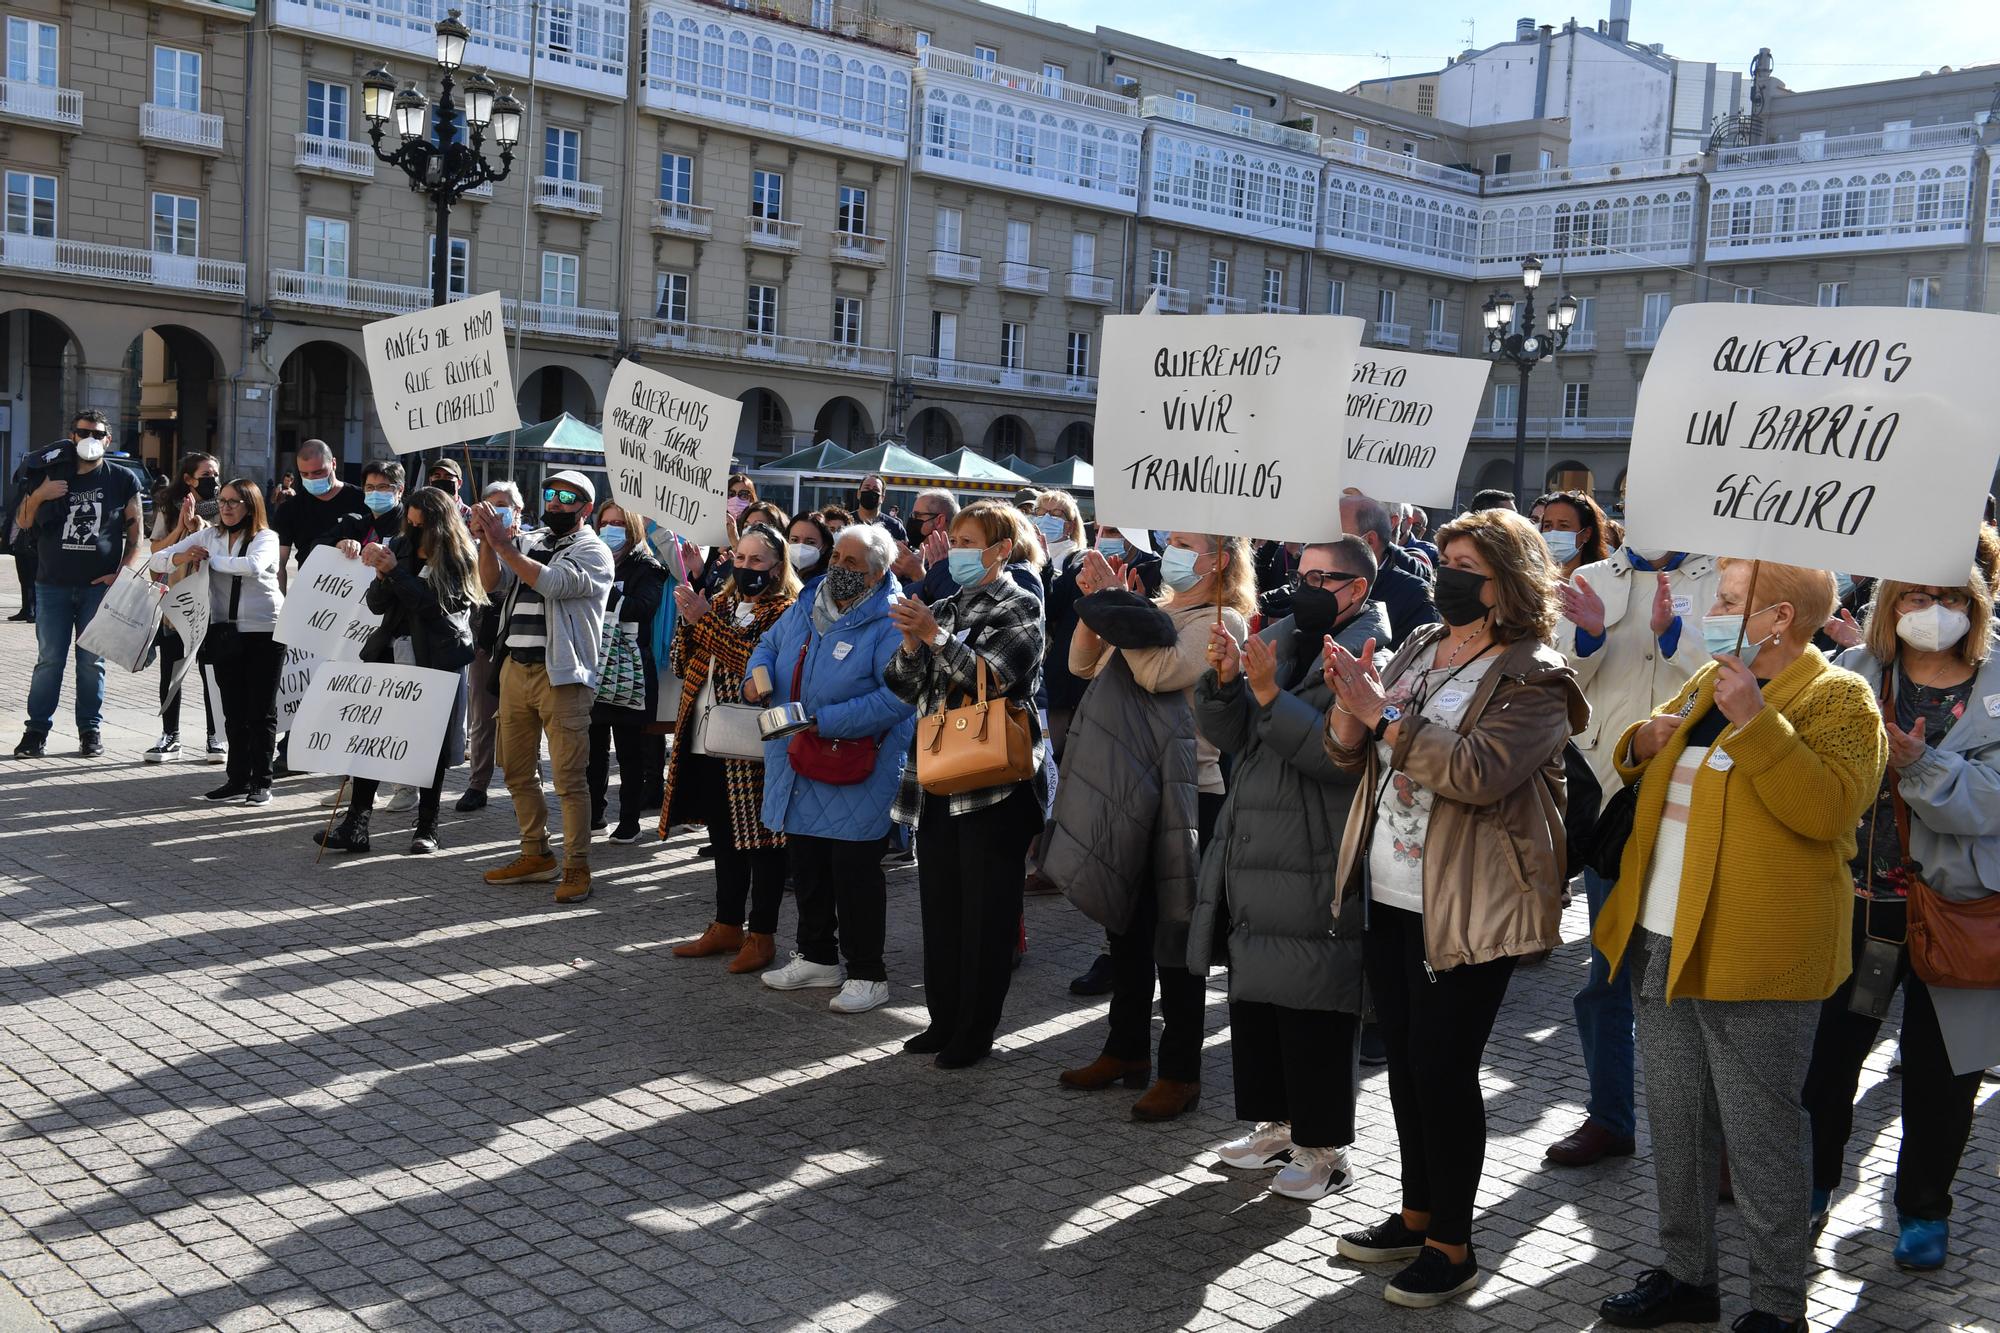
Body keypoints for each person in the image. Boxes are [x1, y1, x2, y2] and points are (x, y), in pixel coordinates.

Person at [1594, 560, 1885, 1333]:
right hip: (1663, 935)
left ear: (1780, 614)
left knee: (1761, 1137)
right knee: (1678, 1121)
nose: (1710, 607)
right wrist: (1642, 738)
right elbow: (1646, 753)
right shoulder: (1710, 681)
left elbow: (1829, 810)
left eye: (1726, 598)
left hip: (1759, 952)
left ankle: (1777, 1304)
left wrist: (1758, 721)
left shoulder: (1840, 696)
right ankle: (1687, 1275)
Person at [1323, 507, 1583, 1310]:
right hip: (1392, 888)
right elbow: (1348, 752)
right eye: (1444, 556)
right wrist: (1348, 701)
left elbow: (1476, 770)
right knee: (1404, 1063)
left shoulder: (1536, 675)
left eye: (1466, 561)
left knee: (1443, 1069)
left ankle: (1454, 1245)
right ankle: (1415, 1213)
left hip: (1471, 903)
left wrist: (1382, 716)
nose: (1447, 572)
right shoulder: (1423, 644)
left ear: (1506, 578)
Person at [1805, 570, 1998, 1271]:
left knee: (1943, 1078)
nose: (1934, 611)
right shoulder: (1853, 670)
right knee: (1825, 1064)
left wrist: (1920, 764)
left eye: (1951, 599)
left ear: (1974, 608)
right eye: (1916, 596)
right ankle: (1812, 1185)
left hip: (1959, 912)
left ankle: (1923, 1209)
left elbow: (1993, 801)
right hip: (1857, 910)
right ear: (1890, 605)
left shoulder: (1997, 680)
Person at [1190, 536, 1388, 1200]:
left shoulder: (1372, 656)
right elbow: (1234, 733)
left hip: (1313, 854)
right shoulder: (1280, 635)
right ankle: (1276, 1125)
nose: (1304, 586)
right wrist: (1223, 683)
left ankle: (1324, 1148)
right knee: (1261, 1001)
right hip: (1256, 848)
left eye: (1322, 577)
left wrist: (1270, 692)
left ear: (1357, 589)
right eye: (1300, 573)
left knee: (1314, 1003)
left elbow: (1338, 755)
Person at [1056, 532, 1252, 1121]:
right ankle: (1125, 1050)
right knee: (1127, 928)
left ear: (1218, 560)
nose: (1174, 549)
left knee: (1178, 940)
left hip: (1193, 792)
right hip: (1130, 786)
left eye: (1189, 543)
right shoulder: (1158, 609)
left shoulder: (1225, 622)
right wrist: (1099, 608)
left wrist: (1118, 607)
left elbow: (1161, 673)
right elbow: (1080, 663)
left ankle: (1180, 1071)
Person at [1546, 541, 1722, 1169]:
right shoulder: (1591, 578)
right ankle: (1609, 1116)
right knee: (1607, 972)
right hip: (1612, 799)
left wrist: (1677, 638)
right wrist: (1588, 637)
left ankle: (1717, 1139)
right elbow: (1557, 680)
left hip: (1697, 797)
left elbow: (1739, 678)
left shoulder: (1727, 577)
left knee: (1700, 977)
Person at [881, 502, 1047, 1066]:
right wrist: (911, 643)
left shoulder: (1021, 605)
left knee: (986, 915)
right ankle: (943, 1019)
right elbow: (904, 687)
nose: (956, 549)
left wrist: (934, 638)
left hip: (995, 784)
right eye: (953, 539)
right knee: (942, 908)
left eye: (970, 540)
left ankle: (975, 1032)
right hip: (937, 777)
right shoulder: (945, 605)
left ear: (1001, 550)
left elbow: (995, 679)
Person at [744, 523, 915, 1014]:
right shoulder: (808, 600)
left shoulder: (891, 619)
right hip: (797, 757)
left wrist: (825, 721)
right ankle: (817, 956)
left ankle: (868, 973)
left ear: (878, 572)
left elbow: (899, 697)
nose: (838, 567)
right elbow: (769, 648)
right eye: (836, 557)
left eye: (852, 562)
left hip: (858, 761)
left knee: (853, 871)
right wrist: (755, 681)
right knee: (809, 863)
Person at [315, 487, 483, 853]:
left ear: (439, 522)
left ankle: (428, 826)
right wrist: (380, 575)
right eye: (410, 522)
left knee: (429, 745)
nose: (412, 530)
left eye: (420, 525)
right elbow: (377, 606)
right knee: (371, 736)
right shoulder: (402, 547)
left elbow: (435, 607)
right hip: (391, 652)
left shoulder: (459, 556)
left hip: (434, 659)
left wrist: (395, 574)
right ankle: (356, 823)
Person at [666, 523, 801, 972]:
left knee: (761, 844)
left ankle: (761, 935)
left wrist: (703, 623)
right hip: (705, 737)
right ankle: (726, 925)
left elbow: (752, 665)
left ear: (777, 567)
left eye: (756, 561)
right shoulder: (720, 603)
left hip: (751, 743)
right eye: (739, 559)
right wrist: (691, 623)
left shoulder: (785, 610)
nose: (745, 568)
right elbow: (680, 662)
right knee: (723, 838)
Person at [474, 471, 614, 903]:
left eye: (566, 497)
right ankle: (535, 854)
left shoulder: (595, 550)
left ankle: (577, 866)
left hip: (563, 677)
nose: (554, 503)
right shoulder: (531, 540)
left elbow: (551, 582)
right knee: (516, 770)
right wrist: (485, 540)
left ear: (585, 508)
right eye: (549, 494)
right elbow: (492, 583)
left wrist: (501, 544)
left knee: (569, 780)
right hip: (516, 669)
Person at [13, 409, 146, 759]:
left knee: (91, 663)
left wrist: (122, 574)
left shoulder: (122, 479)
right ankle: (36, 732)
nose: (90, 438)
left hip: (97, 588)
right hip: (52, 584)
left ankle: (90, 730)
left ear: (108, 439)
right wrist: (41, 494)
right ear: (72, 436)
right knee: (49, 660)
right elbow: (23, 523)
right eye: (82, 432)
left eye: (97, 433)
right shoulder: (51, 473)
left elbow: (136, 536)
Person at [146, 478, 285, 802]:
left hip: (266, 631)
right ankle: (237, 779)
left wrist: (206, 559)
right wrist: (181, 558)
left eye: (234, 502)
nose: (225, 507)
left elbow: (252, 566)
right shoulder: (211, 535)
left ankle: (261, 781)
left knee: (260, 711)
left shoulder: (266, 537)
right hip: (224, 631)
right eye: (222, 501)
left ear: (250, 506)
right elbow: (156, 559)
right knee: (232, 710)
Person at [585, 500, 669, 843]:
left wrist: (603, 591)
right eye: (605, 522)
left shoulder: (647, 566)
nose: (611, 528)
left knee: (630, 752)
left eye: (618, 522)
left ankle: (629, 820)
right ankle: (594, 815)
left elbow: (642, 609)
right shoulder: (589, 559)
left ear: (632, 526)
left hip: (630, 672)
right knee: (593, 751)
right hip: (594, 667)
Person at [144, 452, 223, 764]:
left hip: (214, 605)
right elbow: (155, 552)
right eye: (207, 474)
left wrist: (199, 525)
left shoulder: (227, 506)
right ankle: (170, 735)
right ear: (189, 478)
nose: (213, 480)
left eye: (216, 473)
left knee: (213, 674)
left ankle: (216, 736)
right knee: (172, 670)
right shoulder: (169, 506)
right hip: (178, 602)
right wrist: (181, 528)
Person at [459, 481, 524, 813]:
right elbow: (482, 587)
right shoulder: (472, 546)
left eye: (503, 504)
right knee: (483, 719)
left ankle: (528, 787)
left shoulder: (531, 544)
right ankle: (477, 784)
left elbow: (505, 585)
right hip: (485, 642)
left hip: (522, 647)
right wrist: (485, 540)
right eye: (490, 504)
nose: (496, 509)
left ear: (518, 511)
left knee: (525, 721)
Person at [1340, 493, 1438, 650]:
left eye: (1337, 532)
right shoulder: (1317, 577)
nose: (1325, 539)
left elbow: (1410, 663)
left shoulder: (1415, 597)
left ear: (1369, 540)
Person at [272, 438, 369, 592]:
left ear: (334, 464)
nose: (312, 479)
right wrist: (281, 606)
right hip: (311, 591)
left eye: (318, 472)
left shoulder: (363, 499)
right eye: (305, 474)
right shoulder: (289, 509)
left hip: (357, 591)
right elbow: (279, 564)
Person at [1537, 491, 1611, 579]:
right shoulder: (1532, 582)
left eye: (1564, 526)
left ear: (1586, 534)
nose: (1553, 533)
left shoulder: (1603, 582)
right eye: (1547, 526)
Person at [853, 474, 907, 544]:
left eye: (876, 490)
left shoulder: (895, 527)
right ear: (858, 493)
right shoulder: (845, 522)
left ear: (882, 498)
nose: (871, 492)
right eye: (867, 488)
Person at [786, 511, 833, 584]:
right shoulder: (779, 576)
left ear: (824, 546)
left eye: (810, 542)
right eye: (794, 540)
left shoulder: (827, 582)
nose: (800, 546)